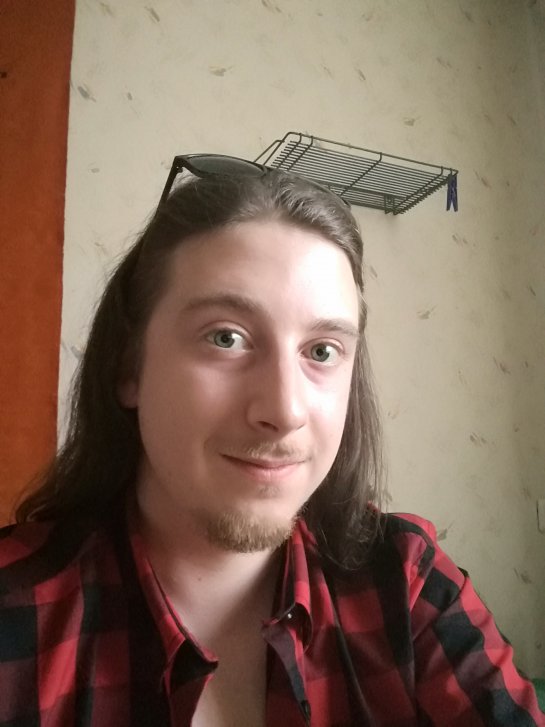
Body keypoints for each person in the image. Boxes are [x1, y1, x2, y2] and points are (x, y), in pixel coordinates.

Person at [0, 157, 543, 727]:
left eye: (322, 351)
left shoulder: (407, 585)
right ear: (128, 366)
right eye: (226, 337)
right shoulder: (16, 614)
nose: (284, 411)